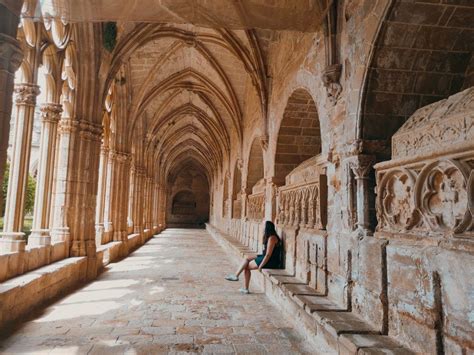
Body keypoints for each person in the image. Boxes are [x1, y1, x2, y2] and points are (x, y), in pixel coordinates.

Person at [225, 220, 283, 294]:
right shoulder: (270, 237)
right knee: (247, 257)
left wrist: (261, 266)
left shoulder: (272, 238)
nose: (262, 229)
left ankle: (244, 286)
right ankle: (236, 276)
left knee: (246, 267)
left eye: (263, 227)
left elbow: (268, 255)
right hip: (266, 257)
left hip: (271, 261)